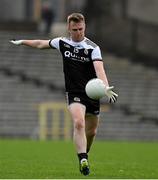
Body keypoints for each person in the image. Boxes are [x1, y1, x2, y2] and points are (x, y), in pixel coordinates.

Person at [10, 13, 118, 176]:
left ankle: (85, 153)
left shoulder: (93, 48)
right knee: (79, 123)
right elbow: (40, 43)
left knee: (92, 132)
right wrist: (23, 42)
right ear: (69, 28)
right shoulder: (62, 42)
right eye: (75, 29)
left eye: (81, 29)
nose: (78, 32)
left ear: (84, 27)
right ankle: (82, 159)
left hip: (93, 93)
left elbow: (99, 69)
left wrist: (105, 87)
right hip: (74, 92)